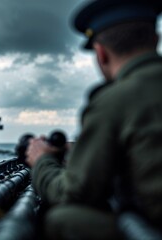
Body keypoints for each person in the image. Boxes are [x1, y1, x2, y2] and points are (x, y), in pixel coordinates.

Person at [25, 0, 162, 239]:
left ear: (100, 53)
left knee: (62, 219)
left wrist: (42, 161)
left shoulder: (114, 99)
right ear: (156, 39)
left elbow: (73, 192)